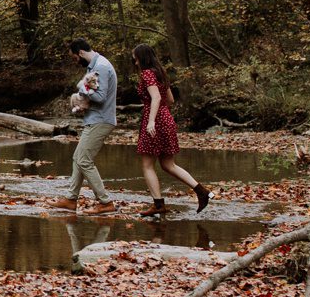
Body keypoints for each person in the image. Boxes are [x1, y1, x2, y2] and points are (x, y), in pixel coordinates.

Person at [132, 43, 211, 218]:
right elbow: (170, 100)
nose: (135, 63)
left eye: (135, 59)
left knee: (147, 166)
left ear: (141, 58)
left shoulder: (147, 74)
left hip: (155, 120)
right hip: (166, 118)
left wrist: (152, 120)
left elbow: (157, 97)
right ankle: (202, 191)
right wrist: (161, 114)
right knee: (168, 164)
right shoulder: (160, 73)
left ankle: (158, 205)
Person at [60, 38, 119, 215]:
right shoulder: (95, 66)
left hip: (101, 120)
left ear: (81, 53)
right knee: (78, 157)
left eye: (74, 58)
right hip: (96, 118)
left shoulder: (100, 66)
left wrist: (80, 90)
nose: (75, 61)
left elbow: (100, 97)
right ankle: (71, 199)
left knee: (84, 160)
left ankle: (105, 202)